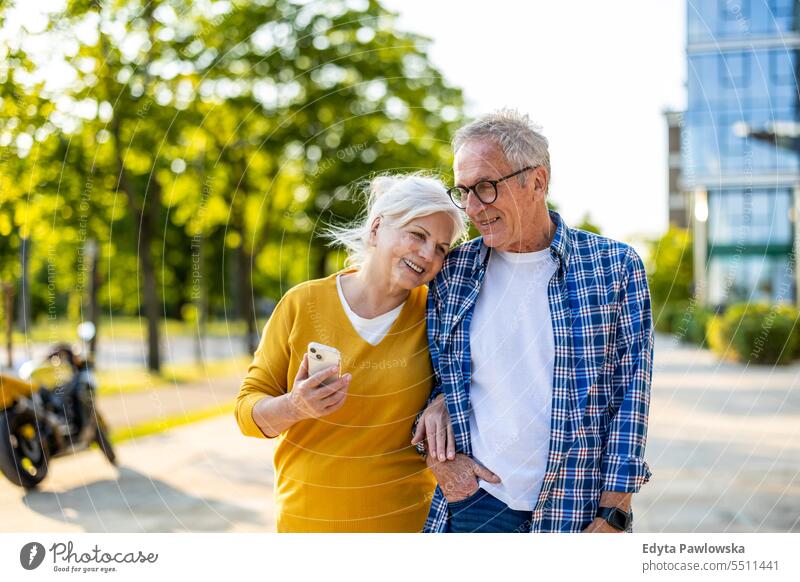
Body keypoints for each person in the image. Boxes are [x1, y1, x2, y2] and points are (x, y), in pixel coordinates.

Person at [414, 109, 653, 533]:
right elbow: (426, 373)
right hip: (476, 504)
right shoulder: (451, 272)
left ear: (537, 181)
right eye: (463, 191)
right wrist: (437, 434)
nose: (471, 208)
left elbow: (630, 397)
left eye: (485, 188)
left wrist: (615, 512)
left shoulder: (614, 267)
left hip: (577, 512)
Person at [234, 173, 467, 532]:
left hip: (405, 527)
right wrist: (294, 406)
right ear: (376, 229)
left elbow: (476, 385)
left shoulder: (438, 316)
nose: (427, 254)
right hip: (307, 524)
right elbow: (247, 412)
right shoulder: (302, 303)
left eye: (441, 248)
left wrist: (445, 401)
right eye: (417, 235)